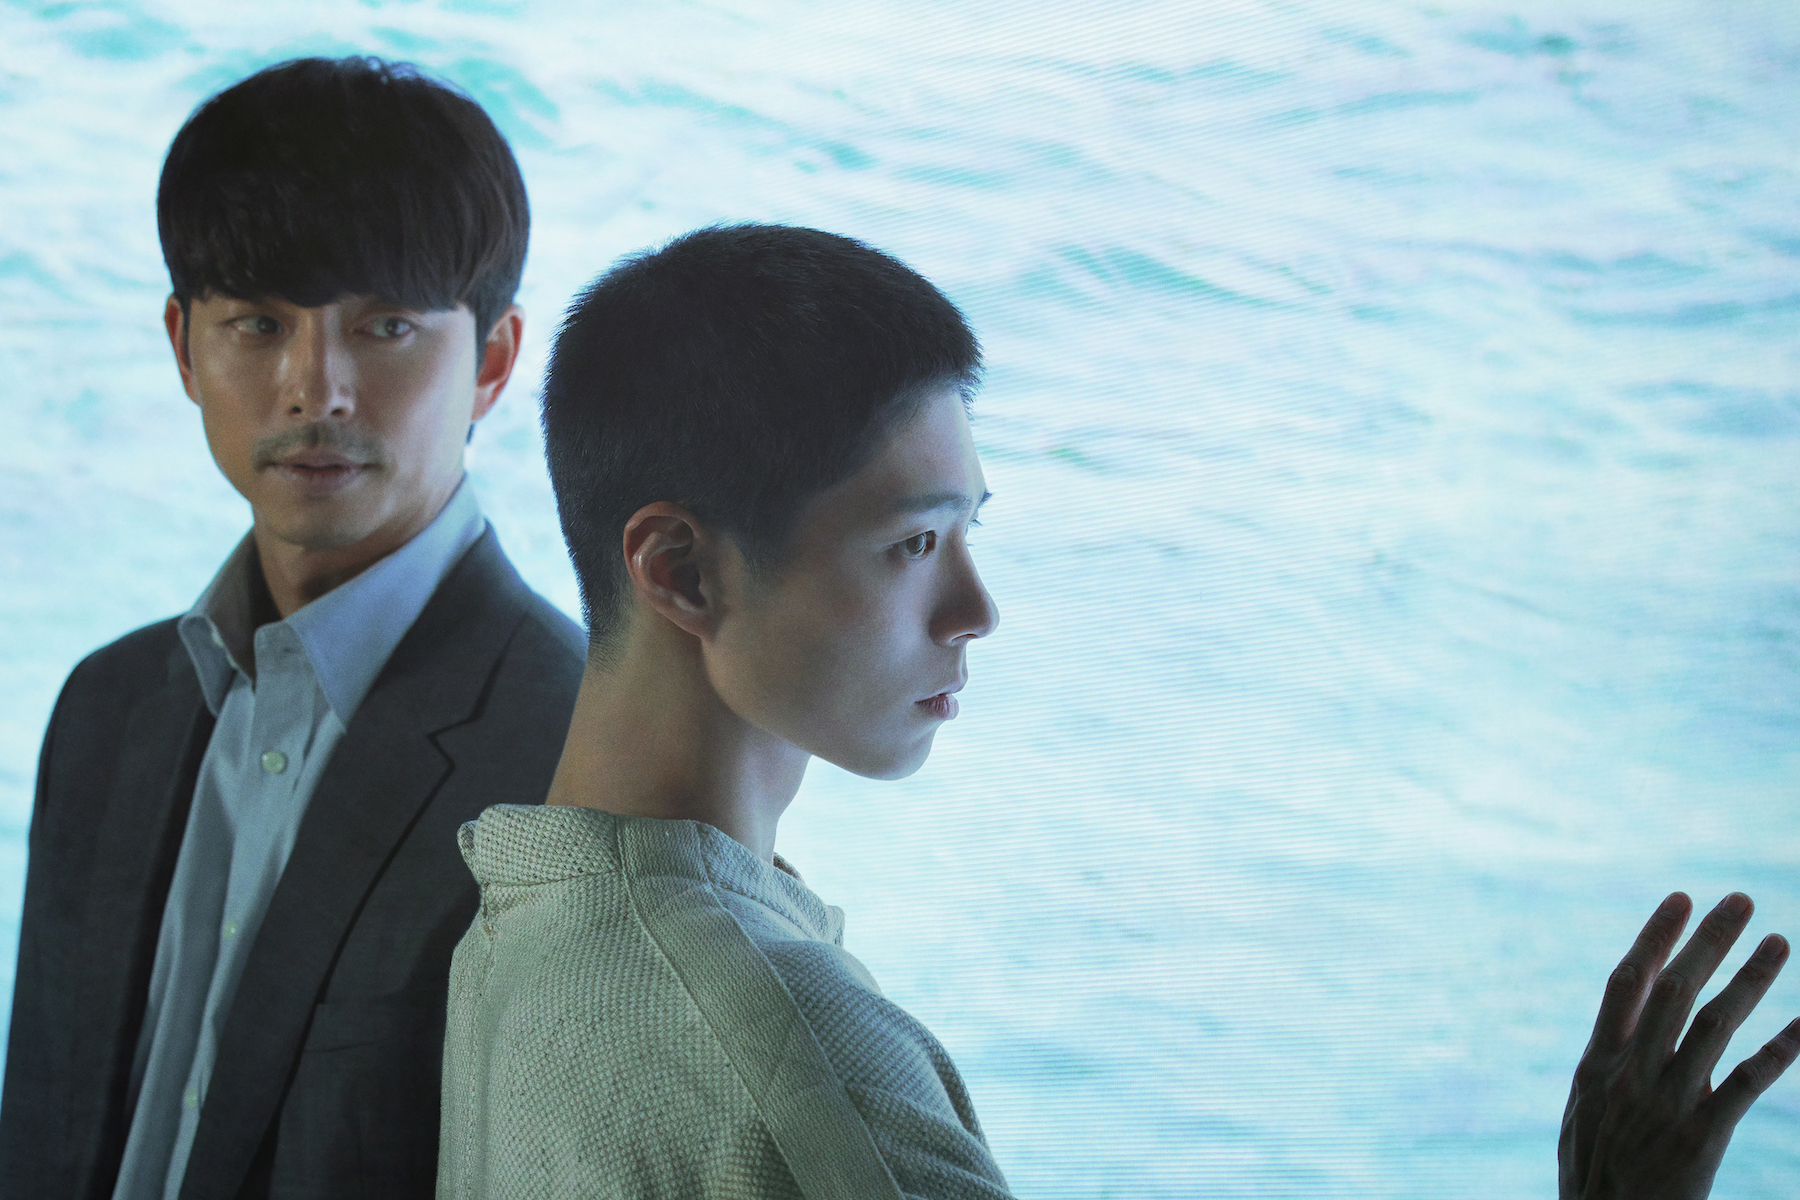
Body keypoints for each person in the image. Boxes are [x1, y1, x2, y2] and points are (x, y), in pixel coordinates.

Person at [436, 222, 1800, 1200]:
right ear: (681, 570)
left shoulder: (524, 917)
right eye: (912, 546)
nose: (975, 607)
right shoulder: (802, 1070)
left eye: (969, 530)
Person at [0, 57, 586, 1200]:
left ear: (494, 361)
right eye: (259, 323)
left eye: (386, 327)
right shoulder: (106, 705)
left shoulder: (573, 757)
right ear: (184, 348)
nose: (316, 388)